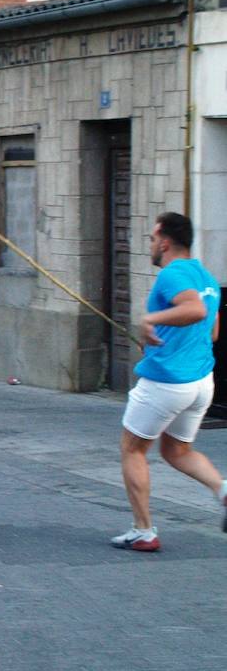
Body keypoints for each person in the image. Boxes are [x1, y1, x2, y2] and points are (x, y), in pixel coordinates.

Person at [112, 212, 226, 552]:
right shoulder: (205, 275)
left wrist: (150, 319)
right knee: (177, 450)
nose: (149, 245)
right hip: (201, 382)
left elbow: (195, 311)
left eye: (150, 238)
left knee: (132, 449)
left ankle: (143, 531)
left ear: (164, 240)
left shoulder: (172, 274)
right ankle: (224, 490)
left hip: (166, 382)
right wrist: (164, 334)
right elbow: (214, 330)